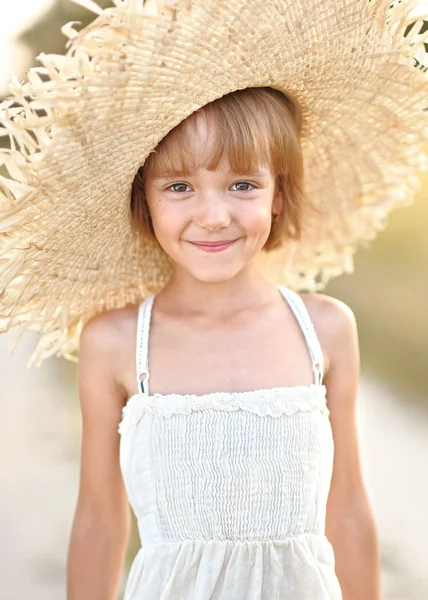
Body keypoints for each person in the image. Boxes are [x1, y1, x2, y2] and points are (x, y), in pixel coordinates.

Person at [67, 87, 380, 599]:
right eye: (179, 187)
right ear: (143, 197)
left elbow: (347, 509)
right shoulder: (116, 344)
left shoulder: (324, 329)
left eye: (241, 184)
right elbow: (98, 525)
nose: (213, 216)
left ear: (278, 194)